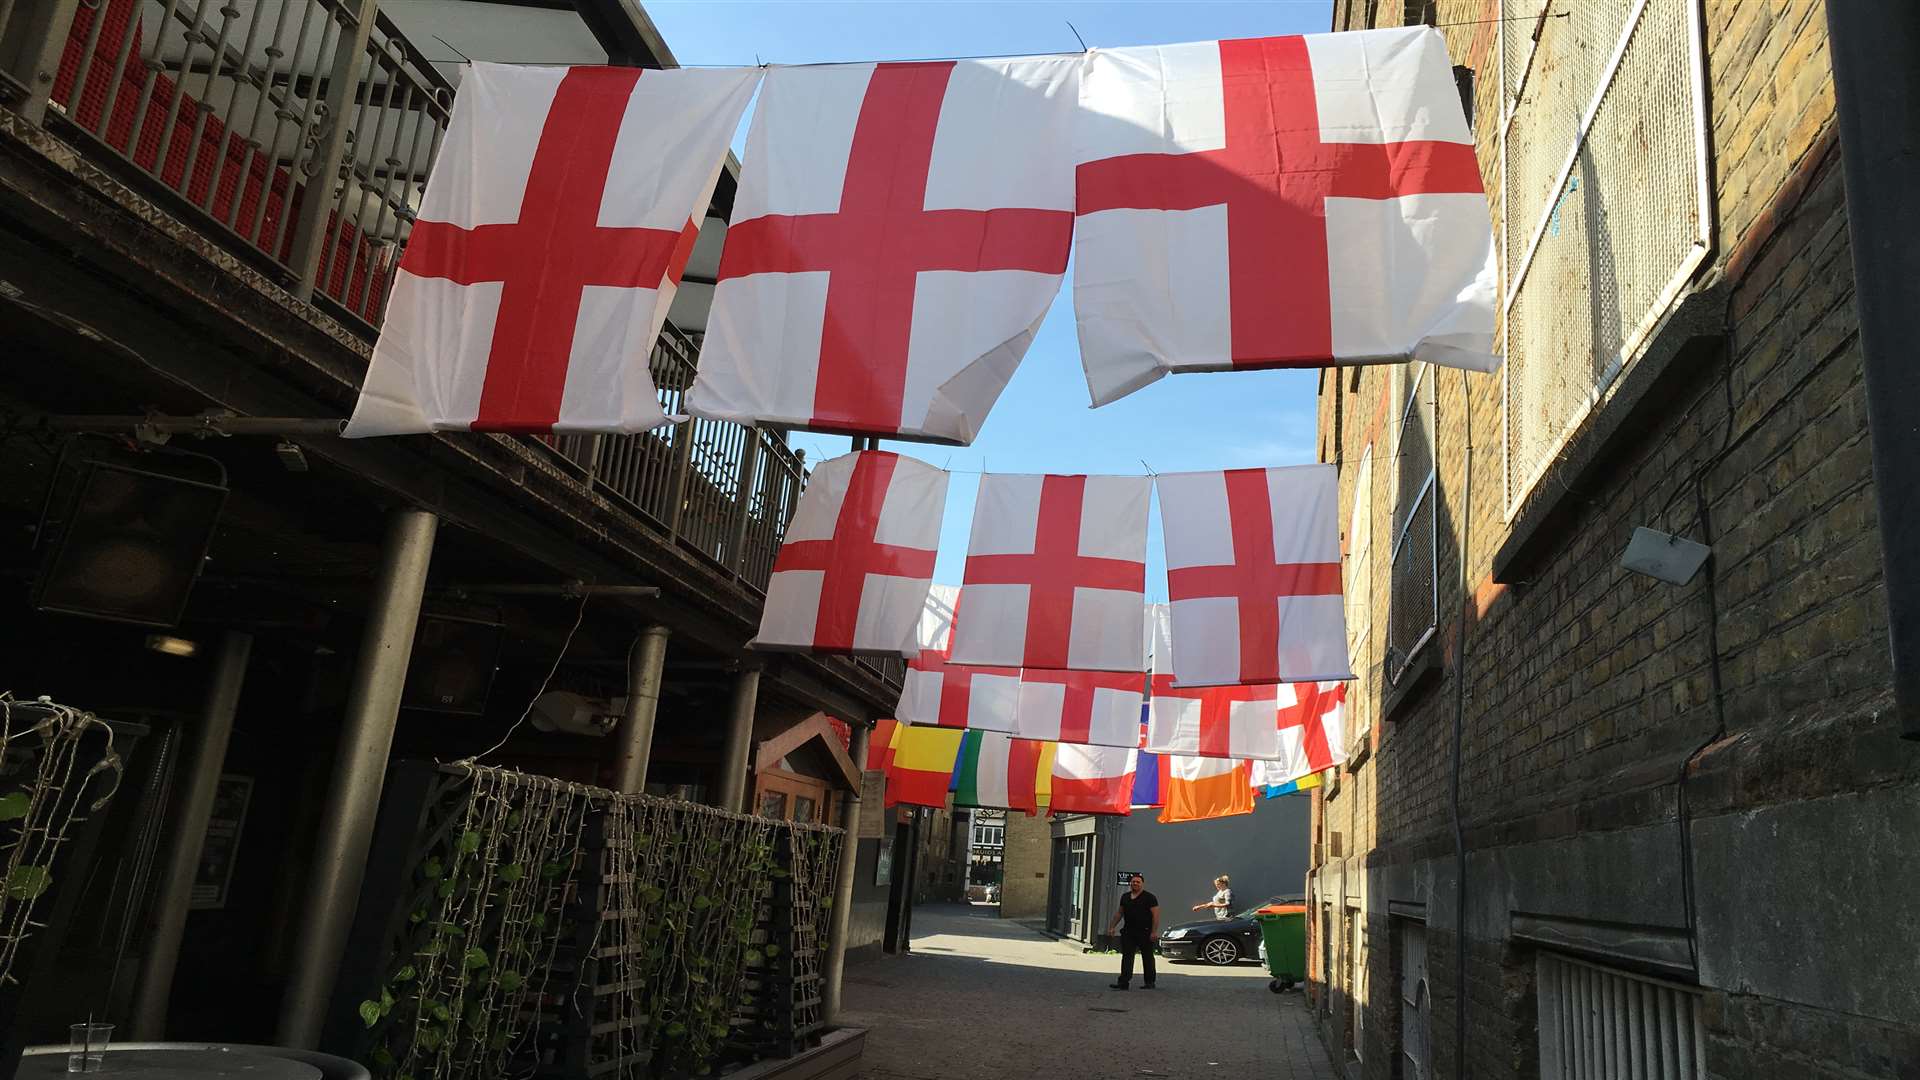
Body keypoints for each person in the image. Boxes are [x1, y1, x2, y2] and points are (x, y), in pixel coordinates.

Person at [1106, 873, 1159, 990]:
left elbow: (1156, 915)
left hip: (1145, 932)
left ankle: (1150, 982)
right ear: (1130, 883)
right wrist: (1112, 926)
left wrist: (1154, 932)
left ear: (1142, 884)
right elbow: (1120, 913)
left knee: (1148, 957)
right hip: (1129, 931)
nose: (1135, 883)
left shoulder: (1150, 897)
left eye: (1138, 882)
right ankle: (1123, 982)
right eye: (1133, 882)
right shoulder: (1125, 897)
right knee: (1127, 957)